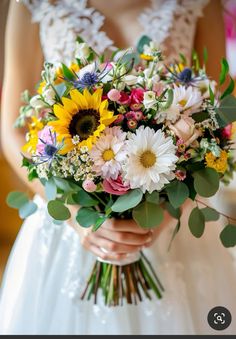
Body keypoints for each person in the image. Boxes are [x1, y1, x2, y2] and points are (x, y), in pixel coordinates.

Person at [0, 0, 235, 335]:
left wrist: (169, 209)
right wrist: (75, 215)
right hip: (67, 225)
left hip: (171, 225)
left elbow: (220, 116)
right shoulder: (34, 3)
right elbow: (12, 128)